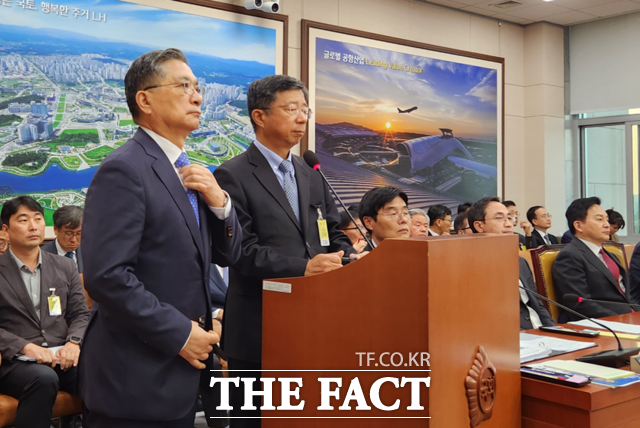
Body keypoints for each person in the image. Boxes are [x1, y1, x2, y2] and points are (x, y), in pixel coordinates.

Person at [78, 48, 242, 428]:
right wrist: (181, 332)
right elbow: (107, 275)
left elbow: (226, 254)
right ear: (145, 99)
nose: (198, 96)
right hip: (136, 380)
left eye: (198, 87)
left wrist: (221, 205)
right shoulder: (125, 168)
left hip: (179, 376)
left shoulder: (184, 171)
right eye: (184, 86)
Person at [213, 74, 355, 427]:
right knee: (256, 422)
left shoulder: (310, 172)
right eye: (291, 108)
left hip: (315, 320)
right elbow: (240, 252)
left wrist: (351, 259)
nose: (303, 117)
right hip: (260, 323)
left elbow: (331, 232)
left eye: (305, 109)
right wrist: (303, 268)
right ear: (259, 117)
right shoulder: (232, 174)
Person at [0, 196, 90, 428]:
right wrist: (25, 346)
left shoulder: (64, 266)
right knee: (43, 378)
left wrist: (73, 342)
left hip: (61, 355)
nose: (33, 226)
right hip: (14, 361)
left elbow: (80, 313)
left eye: (38, 219)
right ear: (5, 230)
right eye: (23, 220)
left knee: (99, 368)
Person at [467, 197, 555, 330]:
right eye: (499, 218)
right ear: (479, 226)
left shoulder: (520, 262)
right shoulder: (471, 266)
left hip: (540, 332)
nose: (508, 224)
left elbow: (538, 305)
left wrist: (555, 330)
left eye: (509, 218)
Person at [553, 197, 637, 322]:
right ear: (578, 225)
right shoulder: (570, 256)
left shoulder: (610, 254)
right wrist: (621, 320)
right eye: (599, 219)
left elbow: (626, 295)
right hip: (605, 323)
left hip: (629, 317)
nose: (607, 225)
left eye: (607, 220)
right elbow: (581, 305)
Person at [41, 205, 84, 273]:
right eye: (69, 233)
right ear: (56, 229)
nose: (74, 240)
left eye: (79, 233)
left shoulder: (89, 253)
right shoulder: (42, 256)